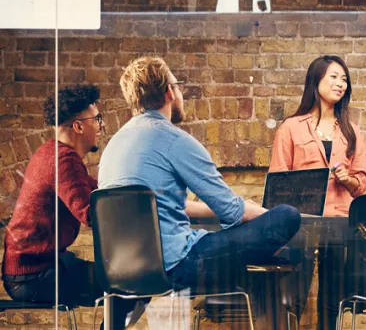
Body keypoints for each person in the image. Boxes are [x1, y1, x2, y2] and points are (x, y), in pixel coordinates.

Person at [98, 56, 301, 326]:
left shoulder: (115, 144)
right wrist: (265, 214)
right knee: (286, 217)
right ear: (170, 91)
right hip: (177, 267)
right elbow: (230, 210)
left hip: (123, 268)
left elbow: (159, 206)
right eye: (178, 86)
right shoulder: (172, 139)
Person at [1, 85, 138, 329]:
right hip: (32, 276)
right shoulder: (63, 160)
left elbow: (98, 190)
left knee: (123, 282)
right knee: (130, 284)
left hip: (38, 268)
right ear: (78, 126)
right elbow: (90, 213)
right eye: (97, 119)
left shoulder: (54, 154)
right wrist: (140, 215)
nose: (101, 125)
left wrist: (132, 192)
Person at [269, 55, 366, 329]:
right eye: (334, 77)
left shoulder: (352, 132)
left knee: (333, 298)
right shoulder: (291, 127)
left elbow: (361, 185)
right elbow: (277, 180)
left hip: (338, 224)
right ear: (316, 80)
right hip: (301, 224)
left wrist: (347, 179)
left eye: (344, 79)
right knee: (294, 295)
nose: (340, 84)